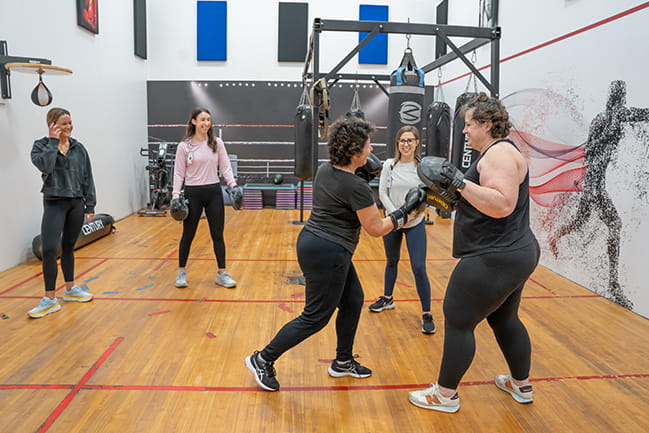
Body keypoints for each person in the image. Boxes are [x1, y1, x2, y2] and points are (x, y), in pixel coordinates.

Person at [245, 116, 426, 391]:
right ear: (354, 152)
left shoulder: (325, 170)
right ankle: (263, 358)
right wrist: (405, 211)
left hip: (314, 243)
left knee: (353, 300)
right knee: (315, 317)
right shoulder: (357, 188)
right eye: (367, 146)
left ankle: (342, 362)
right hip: (328, 252)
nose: (372, 150)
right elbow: (376, 229)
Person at [408, 93, 540, 412]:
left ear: (487, 124)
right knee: (505, 319)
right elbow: (479, 200)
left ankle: (445, 395)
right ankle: (520, 385)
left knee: (457, 318)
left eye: (469, 125)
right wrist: (441, 196)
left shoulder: (499, 156)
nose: (464, 131)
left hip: (495, 255)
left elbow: (502, 204)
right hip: (511, 251)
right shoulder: (494, 154)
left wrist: (458, 182)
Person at [548, 80, 649, 309]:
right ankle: (614, 285)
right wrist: (610, 133)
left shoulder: (613, 116)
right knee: (615, 224)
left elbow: (644, 114)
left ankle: (555, 237)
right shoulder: (608, 118)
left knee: (581, 221)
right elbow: (589, 150)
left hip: (591, 183)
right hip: (593, 184)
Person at [28, 107, 97, 318]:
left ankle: (70, 289)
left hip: (76, 203)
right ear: (52, 125)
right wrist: (52, 141)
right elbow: (45, 166)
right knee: (49, 248)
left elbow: (88, 177)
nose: (68, 127)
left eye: (69, 123)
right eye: (63, 124)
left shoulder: (79, 148)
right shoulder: (40, 146)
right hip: (54, 203)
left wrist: (90, 205)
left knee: (68, 247)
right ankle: (50, 298)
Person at [370, 126, 435, 334]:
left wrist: (410, 217)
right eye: (402, 140)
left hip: (415, 223)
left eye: (410, 140)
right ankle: (387, 299)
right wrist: (397, 215)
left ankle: (427, 313)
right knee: (391, 261)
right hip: (392, 221)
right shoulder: (389, 165)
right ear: (398, 144)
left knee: (418, 267)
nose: (406, 144)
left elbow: (426, 199)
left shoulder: (423, 168)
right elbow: (382, 193)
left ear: (417, 143)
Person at [172, 107, 239, 289]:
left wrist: (233, 186)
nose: (206, 123)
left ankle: (222, 273)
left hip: (213, 193)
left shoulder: (216, 143)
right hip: (193, 194)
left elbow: (225, 167)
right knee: (188, 235)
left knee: (218, 235)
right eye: (202, 119)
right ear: (193, 121)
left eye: (208, 120)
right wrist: (175, 196)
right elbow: (179, 173)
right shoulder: (184, 147)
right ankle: (181, 272)